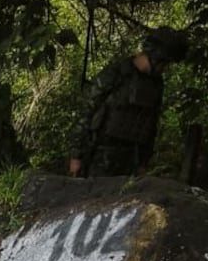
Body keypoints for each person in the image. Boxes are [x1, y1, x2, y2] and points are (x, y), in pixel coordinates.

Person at [69, 26, 189, 178]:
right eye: (164, 64)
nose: (165, 69)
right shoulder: (117, 73)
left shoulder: (156, 84)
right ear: (155, 58)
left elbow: (150, 125)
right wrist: (76, 155)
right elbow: (87, 111)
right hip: (99, 155)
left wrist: (142, 163)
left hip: (130, 160)